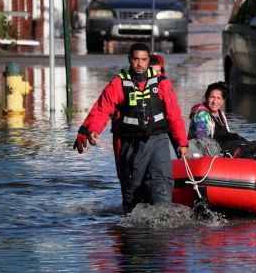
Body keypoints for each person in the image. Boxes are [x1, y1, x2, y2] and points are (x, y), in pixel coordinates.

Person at [73, 42, 189, 214]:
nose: (140, 64)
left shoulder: (162, 84)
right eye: (136, 59)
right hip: (130, 144)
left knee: (162, 182)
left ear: (148, 60)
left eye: (143, 60)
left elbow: (174, 115)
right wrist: (92, 130)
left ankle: (163, 222)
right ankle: (133, 228)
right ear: (129, 60)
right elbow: (102, 109)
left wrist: (182, 142)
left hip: (158, 140)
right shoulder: (118, 84)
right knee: (132, 190)